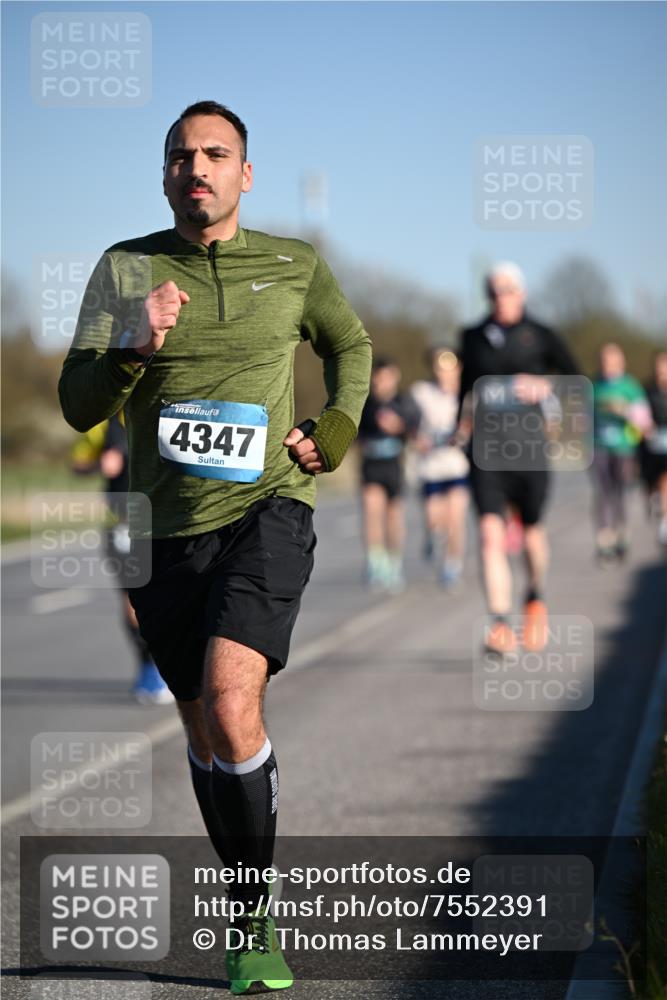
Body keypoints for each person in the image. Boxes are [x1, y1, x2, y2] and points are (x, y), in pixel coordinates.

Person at [59, 100, 372, 995]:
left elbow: (348, 342)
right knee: (200, 724)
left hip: (269, 509)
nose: (196, 167)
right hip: (161, 531)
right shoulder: (127, 268)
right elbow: (77, 402)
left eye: (214, 154)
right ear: (165, 175)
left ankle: (254, 916)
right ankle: (243, 906)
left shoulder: (293, 264)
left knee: (235, 707)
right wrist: (131, 343)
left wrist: (339, 424)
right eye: (180, 156)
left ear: (244, 173)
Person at [454, 261, 579, 655]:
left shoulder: (541, 336)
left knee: (532, 533)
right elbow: (464, 393)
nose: (500, 298)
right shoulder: (472, 337)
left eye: (507, 290)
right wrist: (460, 430)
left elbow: (577, 381)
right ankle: (500, 626)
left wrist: (545, 386)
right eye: (493, 291)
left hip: (530, 450)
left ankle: (535, 594)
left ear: (521, 293)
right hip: (486, 453)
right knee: (490, 536)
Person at [70, 414, 174, 704]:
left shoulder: (165, 408)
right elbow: (76, 464)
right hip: (124, 523)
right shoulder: (103, 423)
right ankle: (149, 666)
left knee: (173, 594)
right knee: (133, 599)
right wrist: (99, 464)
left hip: (169, 520)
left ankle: (180, 663)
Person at [357, 358, 419, 591]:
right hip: (372, 464)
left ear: (395, 377)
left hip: (394, 464)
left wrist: (399, 426)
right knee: (372, 510)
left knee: (393, 516)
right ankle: (375, 561)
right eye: (379, 377)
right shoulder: (366, 403)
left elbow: (414, 430)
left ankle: (395, 562)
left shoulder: (403, 401)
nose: (382, 382)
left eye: (387, 377)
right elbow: (356, 435)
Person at [410, 348, 469, 588]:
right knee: (435, 518)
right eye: (440, 367)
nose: (444, 373)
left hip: (456, 466)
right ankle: (433, 537)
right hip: (431, 468)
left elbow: (472, 424)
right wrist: (417, 439)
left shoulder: (466, 395)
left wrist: (464, 432)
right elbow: (409, 422)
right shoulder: (421, 393)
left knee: (456, 519)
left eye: (450, 367)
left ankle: (452, 566)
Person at [591, 343, 652, 564]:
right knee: (602, 491)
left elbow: (645, 422)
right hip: (598, 446)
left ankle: (622, 531)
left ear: (621, 362)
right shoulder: (594, 386)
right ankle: (604, 537)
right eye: (603, 361)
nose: (607, 365)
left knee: (621, 492)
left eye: (611, 361)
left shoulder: (630, 387)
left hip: (624, 446)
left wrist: (624, 410)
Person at [641, 350, 667, 546]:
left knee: (665, 481)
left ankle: (664, 524)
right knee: (651, 485)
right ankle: (653, 501)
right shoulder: (646, 391)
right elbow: (639, 414)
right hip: (650, 443)